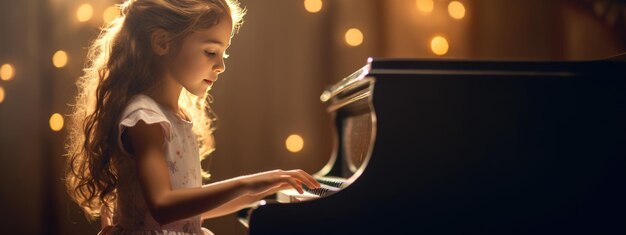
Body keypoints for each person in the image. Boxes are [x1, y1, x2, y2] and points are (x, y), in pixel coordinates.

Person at [64, 0, 320, 234]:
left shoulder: (173, 115)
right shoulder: (144, 118)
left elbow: (190, 212)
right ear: (162, 42)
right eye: (211, 52)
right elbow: (163, 206)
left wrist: (268, 189)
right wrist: (249, 183)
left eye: (224, 54)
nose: (221, 66)